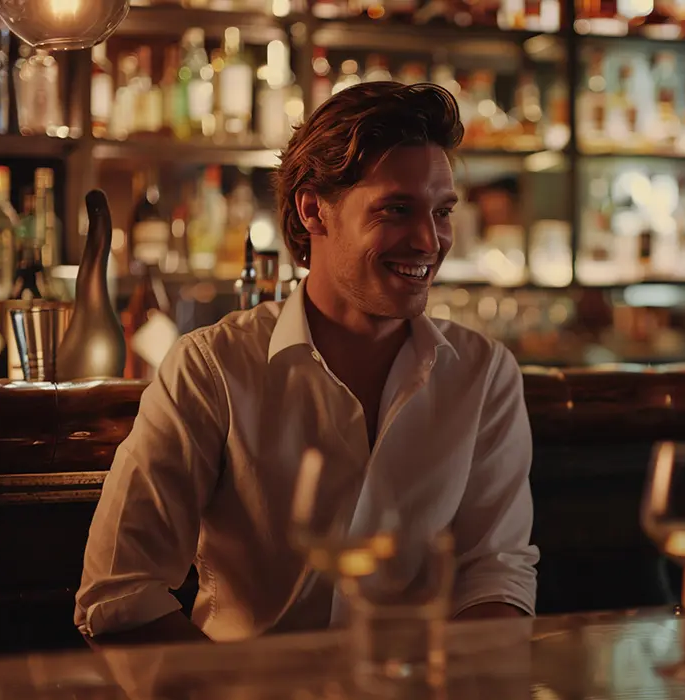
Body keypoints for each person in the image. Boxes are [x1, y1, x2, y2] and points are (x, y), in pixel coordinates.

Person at [75, 82, 539, 645]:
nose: (428, 240)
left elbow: (494, 576)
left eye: (441, 212)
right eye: (397, 209)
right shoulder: (211, 369)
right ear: (313, 209)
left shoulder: (483, 374)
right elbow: (119, 592)